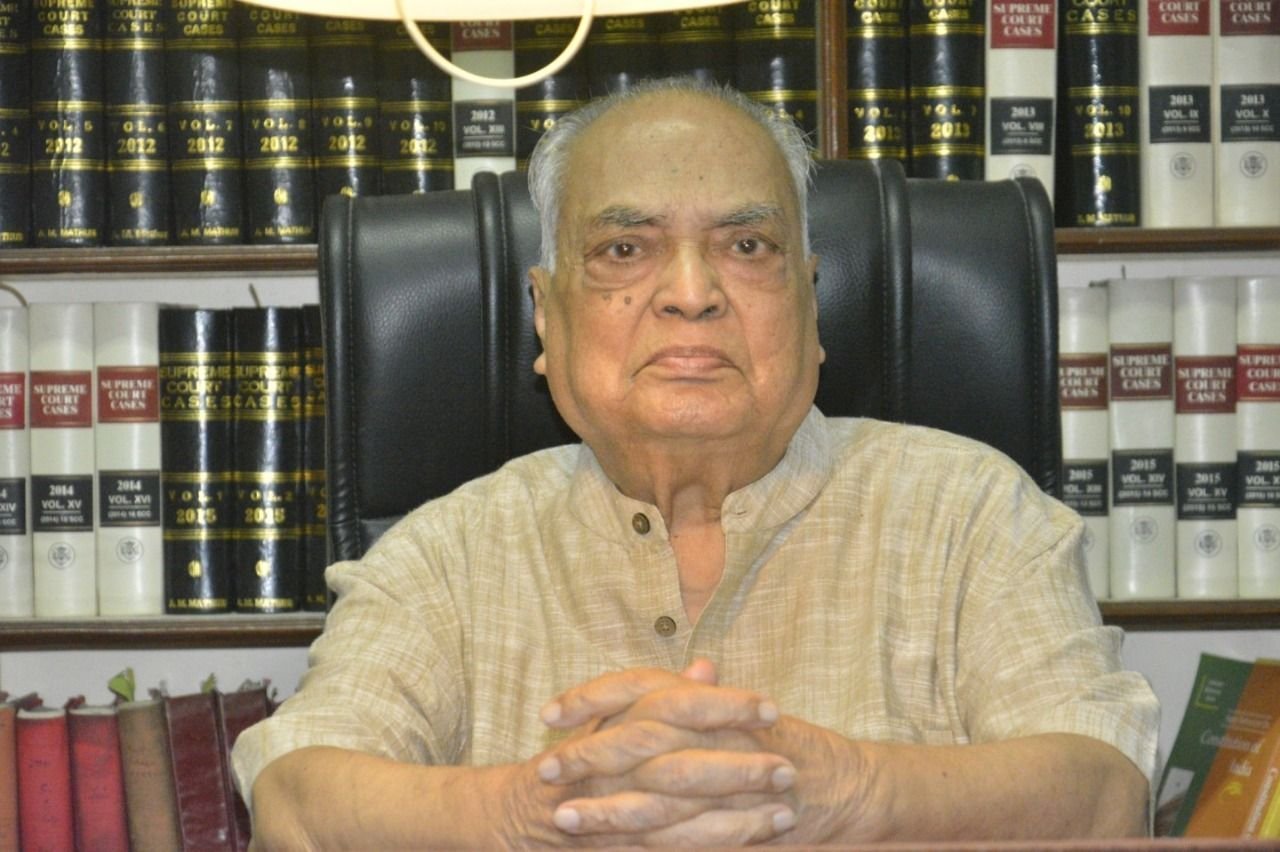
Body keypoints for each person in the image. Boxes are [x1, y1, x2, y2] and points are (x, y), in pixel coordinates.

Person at [233, 77, 1158, 848]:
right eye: (624, 248)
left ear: (811, 302)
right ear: (545, 318)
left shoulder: (972, 514)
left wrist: (843, 791)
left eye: (746, 247)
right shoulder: (446, 554)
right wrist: (541, 810)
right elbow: (296, 802)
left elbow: (1106, 796)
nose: (691, 293)